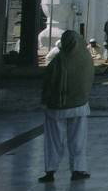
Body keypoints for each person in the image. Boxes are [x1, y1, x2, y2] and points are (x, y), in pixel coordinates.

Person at [38, 30, 95, 183]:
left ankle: (50, 171)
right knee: (78, 139)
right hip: (79, 105)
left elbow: (48, 82)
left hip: (56, 106)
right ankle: (78, 169)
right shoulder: (86, 59)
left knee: (53, 140)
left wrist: (45, 99)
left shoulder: (59, 60)